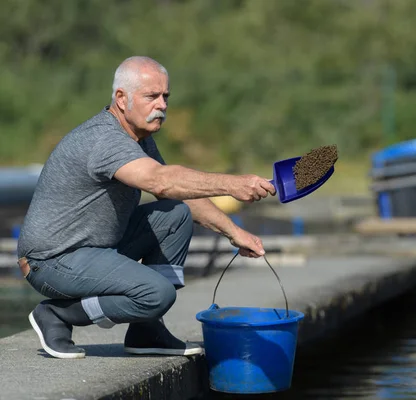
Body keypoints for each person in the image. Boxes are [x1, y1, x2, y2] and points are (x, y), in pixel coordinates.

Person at [17, 56, 276, 359]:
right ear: (121, 99)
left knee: (175, 214)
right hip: (51, 261)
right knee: (157, 293)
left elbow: (180, 194)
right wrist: (233, 185)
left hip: (96, 250)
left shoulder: (138, 139)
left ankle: (146, 330)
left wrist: (235, 233)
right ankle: (59, 315)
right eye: (151, 96)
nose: (162, 105)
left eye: (165, 96)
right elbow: (161, 182)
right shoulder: (104, 140)